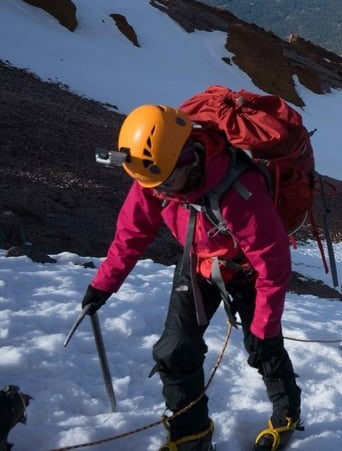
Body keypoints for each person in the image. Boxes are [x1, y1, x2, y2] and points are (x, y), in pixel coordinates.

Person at [81, 105, 302, 451]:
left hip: (246, 271)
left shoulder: (241, 192)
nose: (160, 192)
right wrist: (103, 284)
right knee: (175, 350)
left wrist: (264, 327)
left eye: (166, 183)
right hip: (198, 261)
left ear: (189, 158)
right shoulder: (155, 174)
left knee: (264, 347)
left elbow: (273, 267)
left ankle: (287, 415)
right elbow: (131, 233)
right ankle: (192, 435)